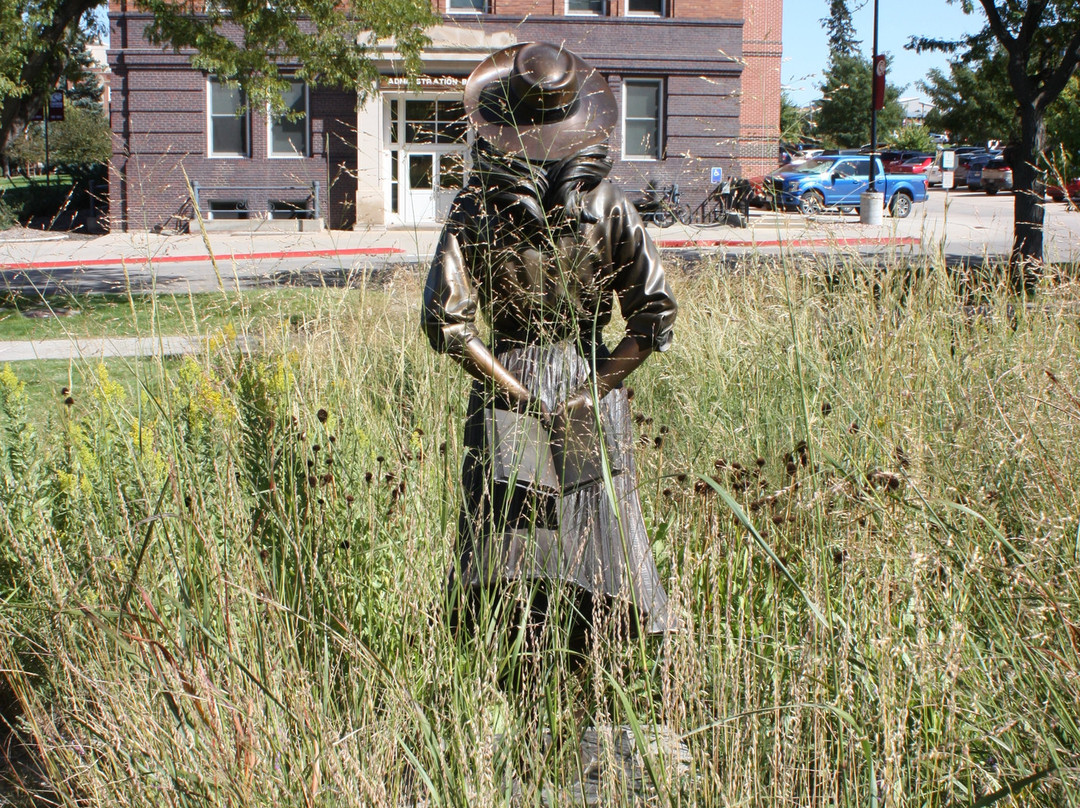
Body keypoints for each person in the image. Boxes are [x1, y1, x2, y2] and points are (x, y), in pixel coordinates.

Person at [421, 42, 678, 707]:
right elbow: (653, 315)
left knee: (511, 539)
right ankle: (602, 689)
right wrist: (588, 391)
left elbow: (444, 322)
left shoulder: (477, 206)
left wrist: (520, 392)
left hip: (508, 381)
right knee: (601, 538)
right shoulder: (610, 203)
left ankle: (515, 687)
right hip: (592, 382)